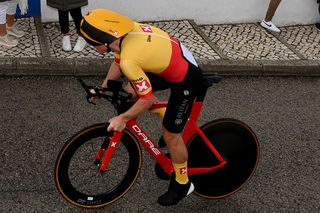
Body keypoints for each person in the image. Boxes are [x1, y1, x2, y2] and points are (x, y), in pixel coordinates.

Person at [80, 9, 206, 206]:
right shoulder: (124, 36)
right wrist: (102, 89)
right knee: (130, 92)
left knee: (171, 134)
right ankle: (167, 114)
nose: (92, 47)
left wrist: (122, 119)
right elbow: (118, 64)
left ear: (103, 42)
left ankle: (183, 183)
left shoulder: (130, 57)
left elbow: (146, 98)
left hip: (187, 77)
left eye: (92, 44)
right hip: (169, 61)